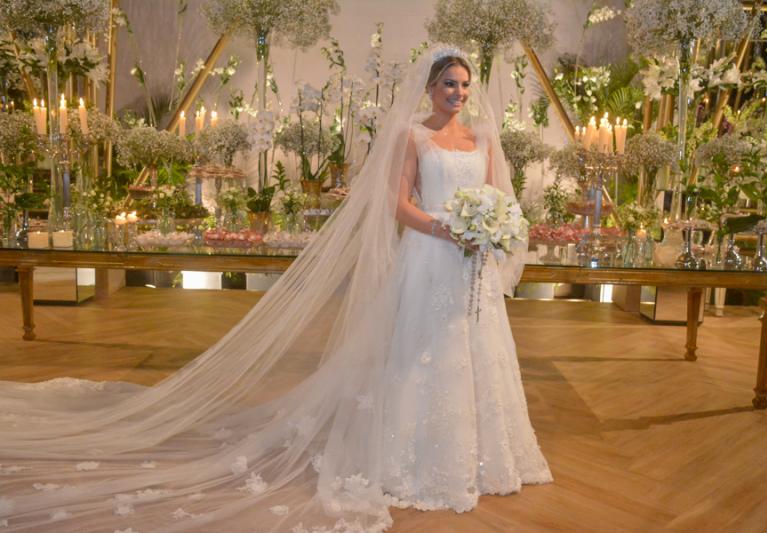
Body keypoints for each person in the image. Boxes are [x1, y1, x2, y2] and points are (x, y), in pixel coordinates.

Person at [0, 46, 550, 533]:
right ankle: (414, 461)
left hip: (472, 264)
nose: (458, 93)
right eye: (449, 83)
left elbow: (499, 197)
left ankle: (483, 459)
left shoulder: (484, 137)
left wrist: (493, 229)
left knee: (476, 351)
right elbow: (397, 203)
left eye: (464, 85)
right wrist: (445, 228)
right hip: (430, 256)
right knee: (421, 354)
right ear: (429, 87)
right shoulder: (413, 136)